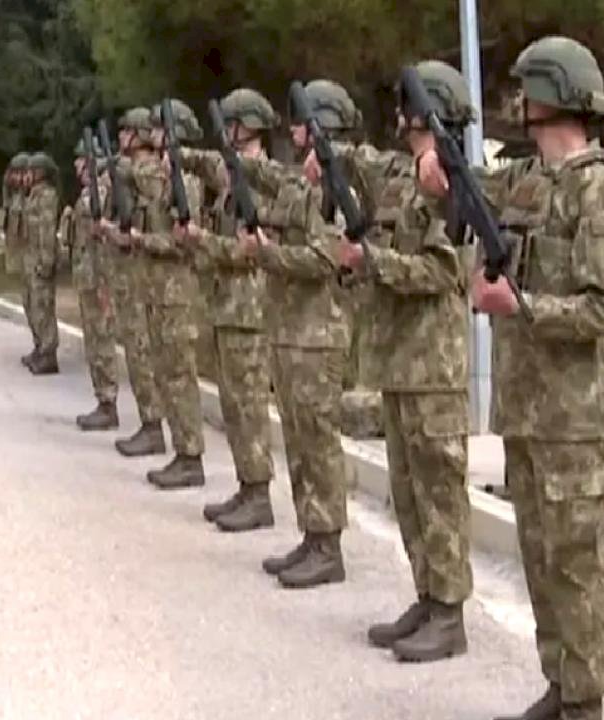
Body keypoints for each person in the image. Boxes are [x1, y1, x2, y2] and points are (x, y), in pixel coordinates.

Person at [420, 37, 604, 720]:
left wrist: (524, 307)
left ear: (551, 95)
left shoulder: (599, 187)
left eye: (526, 90)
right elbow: (471, 191)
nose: (517, 102)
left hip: (571, 416)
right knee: (540, 560)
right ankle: (560, 682)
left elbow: (603, 311)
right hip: (526, 408)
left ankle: (586, 700)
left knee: (575, 566)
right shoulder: (531, 179)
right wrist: (439, 173)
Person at [333, 62, 476, 661]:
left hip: (432, 367)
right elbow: (363, 160)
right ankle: (427, 595)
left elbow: (444, 272)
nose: (397, 114)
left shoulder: (451, 182)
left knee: (439, 493)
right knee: (410, 491)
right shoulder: (405, 172)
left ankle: (450, 613)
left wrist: (371, 262)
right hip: (400, 362)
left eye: (409, 104)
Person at [238, 80, 356, 589]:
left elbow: (321, 259)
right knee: (298, 441)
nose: (292, 130)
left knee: (319, 443)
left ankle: (328, 545)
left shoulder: (338, 186)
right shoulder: (300, 183)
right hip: (291, 333)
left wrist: (265, 253)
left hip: (319, 336)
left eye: (301, 122)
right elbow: (259, 173)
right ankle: (311, 534)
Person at [176, 88, 279, 530]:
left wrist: (201, 241)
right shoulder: (235, 173)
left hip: (249, 309)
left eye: (232, 125)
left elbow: (248, 250)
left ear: (247, 126)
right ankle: (246, 485)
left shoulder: (263, 180)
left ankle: (259, 495)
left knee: (250, 406)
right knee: (235, 406)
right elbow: (207, 164)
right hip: (227, 307)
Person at [127, 99, 208, 490]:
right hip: (159, 291)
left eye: (161, 130)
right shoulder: (164, 175)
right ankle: (180, 448)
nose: (153, 136)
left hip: (177, 293)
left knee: (179, 376)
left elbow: (182, 242)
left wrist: (146, 241)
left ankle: (191, 454)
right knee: (166, 373)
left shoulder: (186, 181)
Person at [102, 108, 167, 457]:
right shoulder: (132, 175)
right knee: (138, 355)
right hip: (137, 278)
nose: (122, 137)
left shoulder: (152, 173)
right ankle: (149, 423)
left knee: (145, 356)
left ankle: (155, 425)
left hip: (154, 283)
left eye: (128, 131)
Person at [65, 137, 121, 430]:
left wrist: (105, 284)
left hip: (100, 276)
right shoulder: (91, 191)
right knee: (94, 342)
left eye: (81, 160)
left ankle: (108, 402)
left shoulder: (106, 190)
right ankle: (102, 399)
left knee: (102, 341)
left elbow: (106, 239)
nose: (76, 166)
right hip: (87, 274)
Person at [22, 153, 61, 375]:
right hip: (32, 258)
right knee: (33, 305)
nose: (26, 176)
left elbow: (47, 230)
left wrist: (46, 261)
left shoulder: (46, 196)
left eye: (31, 171)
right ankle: (39, 347)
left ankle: (48, 353)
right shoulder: (33, 196)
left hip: (40, 258)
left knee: (43, 306)